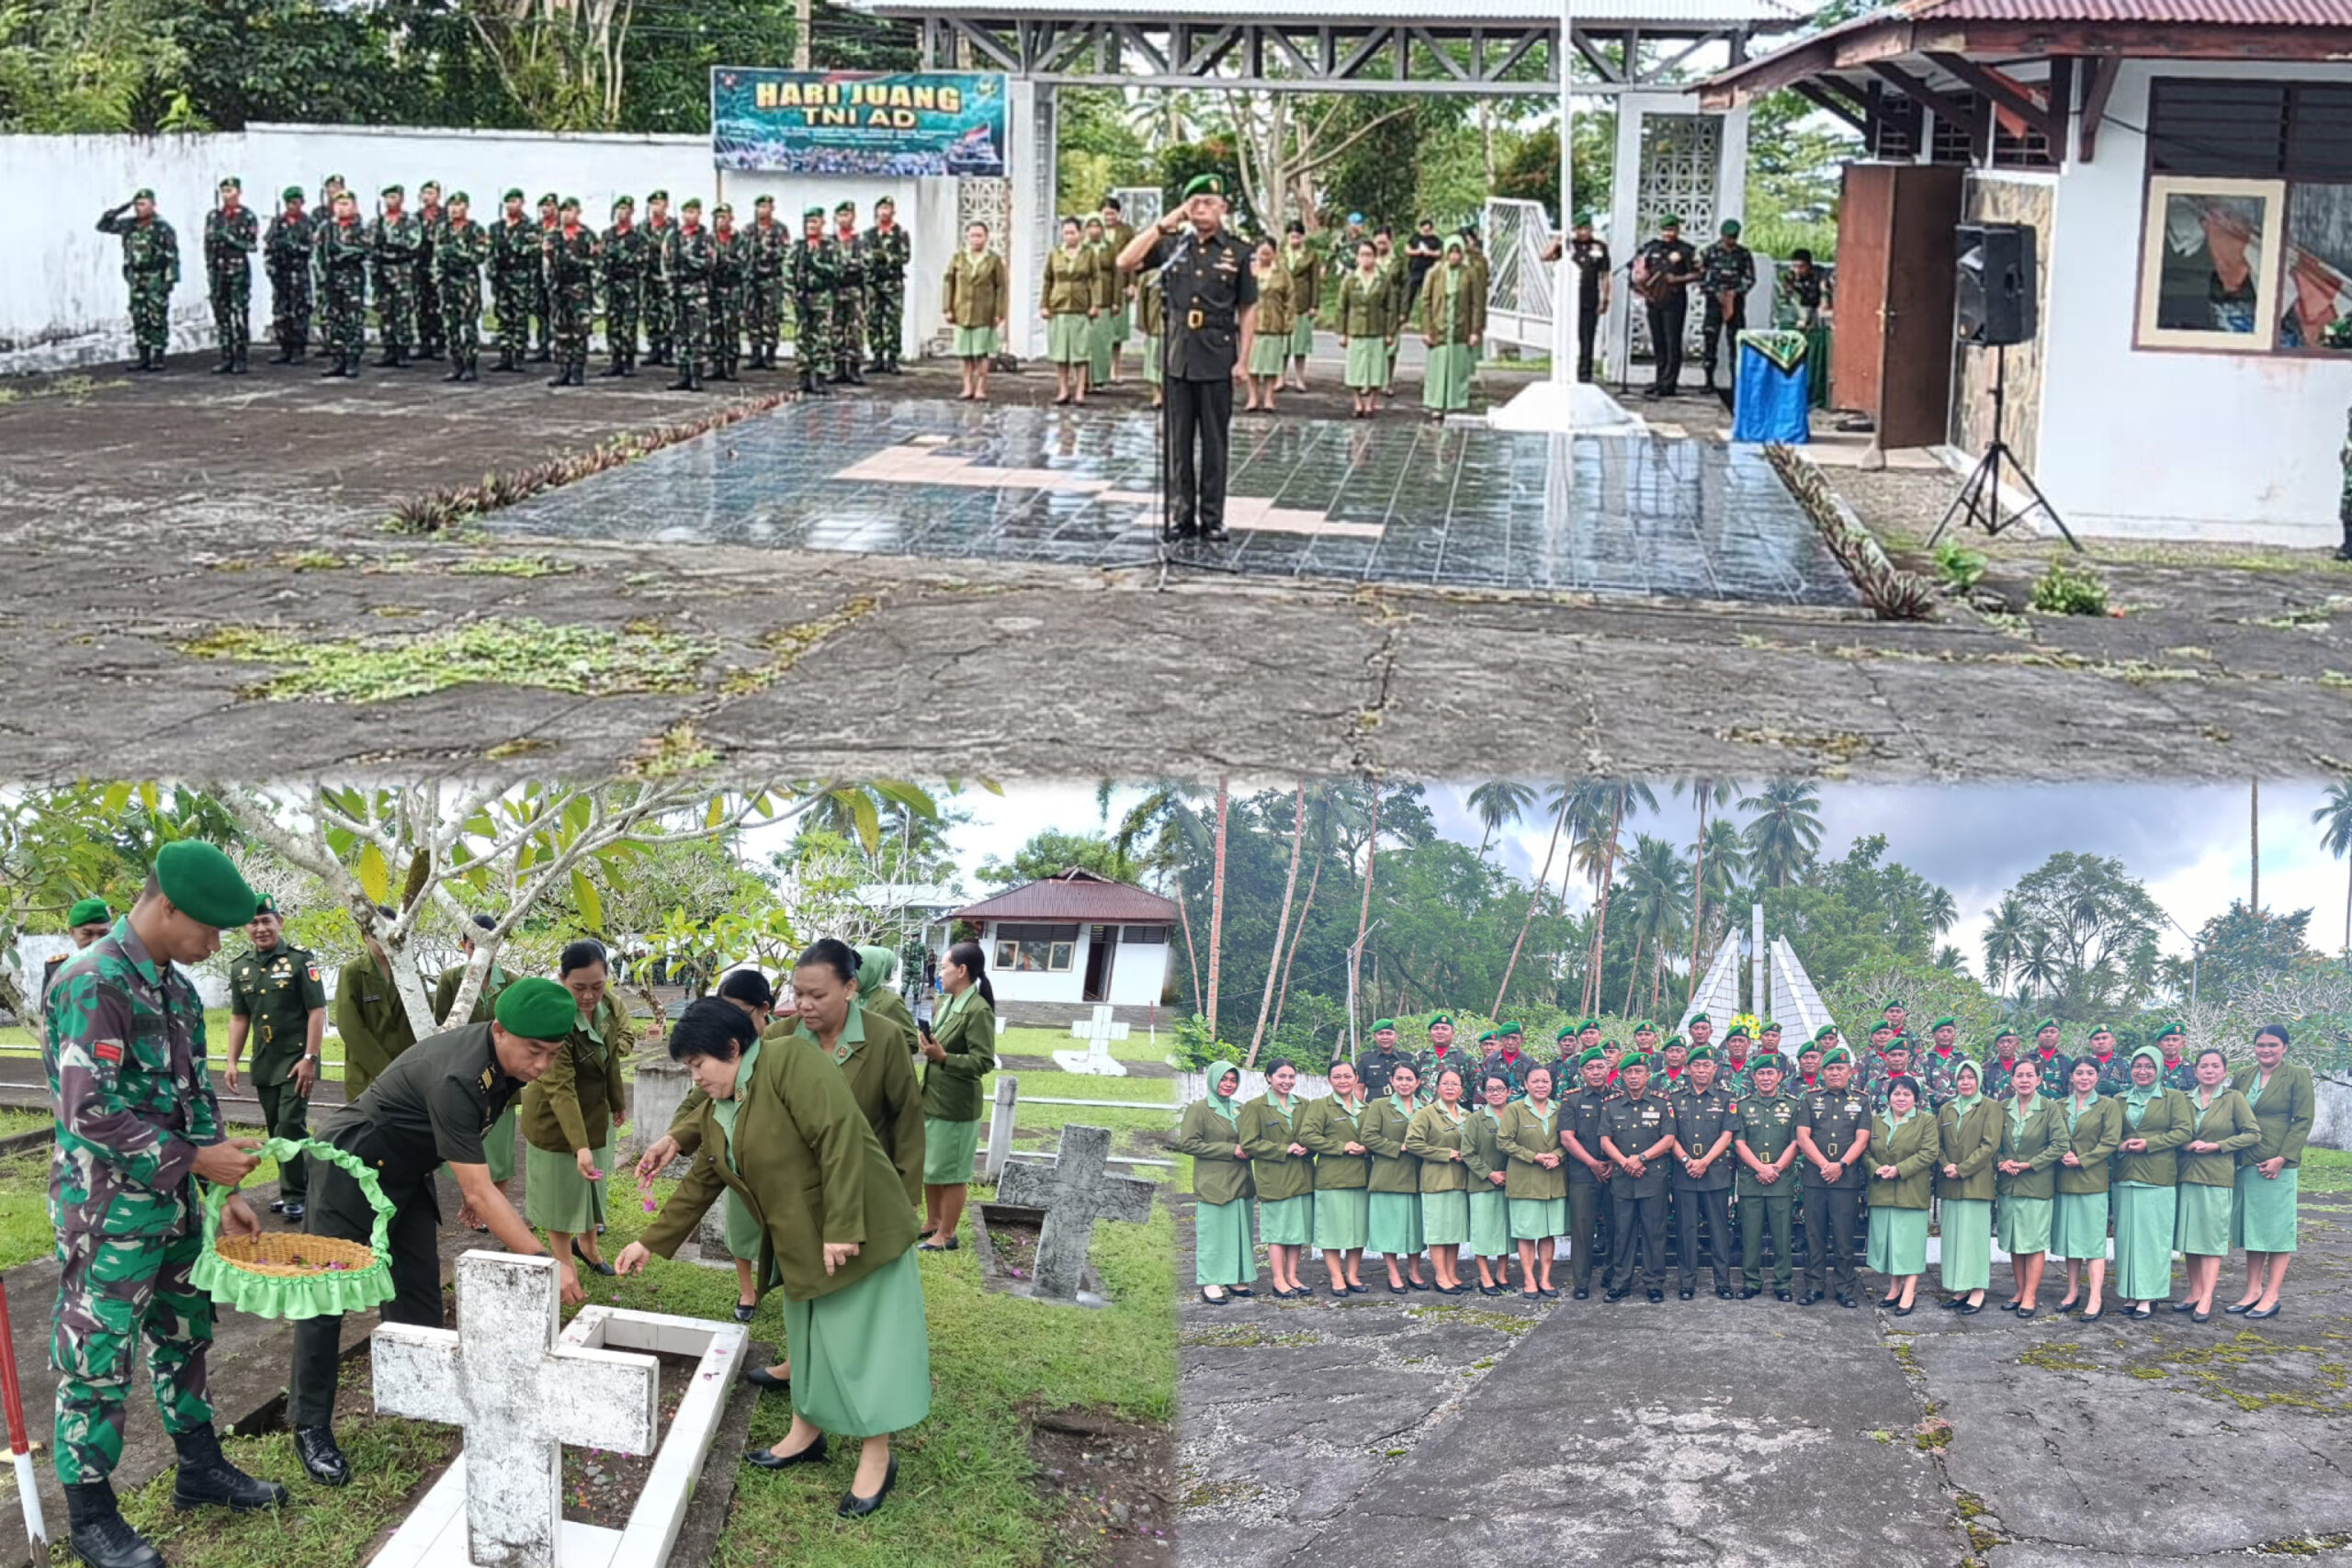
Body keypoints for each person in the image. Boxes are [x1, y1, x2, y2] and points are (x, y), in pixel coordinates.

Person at [46, 843, 285, 1568]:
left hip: (176, 1206)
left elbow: (196, 1094)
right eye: (207, 928)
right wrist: (197, 1161)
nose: (215, 944)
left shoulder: (174, 988)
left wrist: (223, 1188)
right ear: (166, 905)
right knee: (99, 1356)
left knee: (186, 1334)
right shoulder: (92, 981)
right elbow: (88, 1110)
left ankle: (200, 1467)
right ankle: (91, 1515)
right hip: (108, 1213)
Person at [620, 998, 927, 1518]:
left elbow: (840, 1135)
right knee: (808, 1340)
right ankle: (806, 1433)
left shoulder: (790, 1061)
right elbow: (702, 1181)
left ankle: (878, 1456)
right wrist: (648, 1242)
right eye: (689, 1068)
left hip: (856, 1231)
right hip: (802, 1242)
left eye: (698, 1065)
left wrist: (843, 1227)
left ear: (732, 1047)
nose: (696, 1078)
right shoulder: (719, 1108)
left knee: (862, 1347)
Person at [288, 976, 579, 1490]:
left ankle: (418, 1390)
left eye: (552, 1055)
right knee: (325, 1297)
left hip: (406, 1169)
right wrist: (544, 1260)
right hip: (351, 1167)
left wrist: (473, 1182)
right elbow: (481, 1192)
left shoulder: (502, 1062)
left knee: (418, 1283)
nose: (541, 1066)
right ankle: (310, 1426)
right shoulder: (458, 1075)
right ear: (500, 1030)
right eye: (534, 1051)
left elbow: (469, 1144)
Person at [1115, 174, 1258, 543]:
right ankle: (1181, 516)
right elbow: (1125, 261)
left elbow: (1247, 309)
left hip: (1217, 354)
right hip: (1178, 354)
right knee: (1178, 443)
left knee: (1214, 442)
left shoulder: (1240, 252)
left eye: (1209, 202)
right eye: (1194, 203)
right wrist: (1165, 223)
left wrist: (1243, 359)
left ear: (1223, 208)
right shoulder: (1172, 246)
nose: (1201, 209)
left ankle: (1212, 518)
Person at [522, 940, 632, 1301]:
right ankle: (564, 1268)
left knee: (591, 1189)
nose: (588, 996)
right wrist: (579, 1146)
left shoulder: (608, 1006)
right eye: (579, 987)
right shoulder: (554, 1019)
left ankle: (588, 1247)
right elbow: (561, 1088)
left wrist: (617, 1101)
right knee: (559, 1198)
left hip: (593, 1111)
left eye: (597, 986)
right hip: (555, 1120)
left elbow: (611, 1058)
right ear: (561, 979)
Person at [222, 896, 325, 1223]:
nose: (260, 928)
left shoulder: (300, 961)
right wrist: (231, 1061)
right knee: (275, 1127)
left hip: (297, 1059)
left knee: (289, 1124)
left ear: (279, 922)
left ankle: (298, 1194)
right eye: (253, 923)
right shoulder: (240, 967)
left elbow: (317, 1011)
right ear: (246, 928)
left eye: (266, 921)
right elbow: (239, 1017)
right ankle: (296, 1188)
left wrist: (310, 1058)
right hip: (265, 1061)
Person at [2228, 1023, 2313, 1319]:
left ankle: (2272, 1295)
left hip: (2276, 1165)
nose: (2266, 1050)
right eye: (2261, 1045)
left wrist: (2283, 1157)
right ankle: (2253, 1290)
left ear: (2285, 1047)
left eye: (2273, 1045)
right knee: (2254, 1229)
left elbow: (2303, 1120)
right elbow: (2229, 1111)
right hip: (2246, 1161)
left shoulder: (2297, 1075)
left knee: (2276, 1231)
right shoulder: (2243, 1075)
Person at [917, 940, 994, 1253]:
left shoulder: (977, 1010)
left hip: (956, 1105)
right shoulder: (949, 1002)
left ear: (961, 970)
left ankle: (947, 1235)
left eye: (944, 967)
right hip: (934, 1098)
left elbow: (983, 1061)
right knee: (932, 1166)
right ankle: (933, 1221)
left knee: (952, 1173)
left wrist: (944, 1057)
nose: (939, 973)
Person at [710, 970, 778, 1319]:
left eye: (738, 1012)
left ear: (763, 1008)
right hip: (738, 1153)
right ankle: (747, 1290)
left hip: (778, 1155)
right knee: (740, 1223)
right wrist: (675, 1136)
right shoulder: (726, 1045)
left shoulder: (784, 1045)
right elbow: (702, 1098)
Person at [2175, 1048, 2258, 1322]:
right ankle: (2194, 1292)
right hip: (2186, 1175)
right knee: (2190, 1238)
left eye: (2215, 1066)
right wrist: (2186, 1145)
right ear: (2195, 1071)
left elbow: (2252, 1134)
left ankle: (2207, 1296)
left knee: (2211, 1239)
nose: (2209, 1071)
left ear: (2224, 1071)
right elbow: (2174, 1133)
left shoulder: (2233, 1099)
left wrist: (2218, 1146)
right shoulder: (2184, 1099)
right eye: (2203, 1066)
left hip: (2216, 1176)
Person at [2109, 1044, 2191, 1319]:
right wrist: (2120, 1145)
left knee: (2153, 1239)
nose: (2142, 1071)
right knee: (2127, 1239)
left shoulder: (2173, 1098)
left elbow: (2183, 1132)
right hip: (2125, 1176)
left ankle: (2149, 1295)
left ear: (2159, 1069)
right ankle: (2131, 1292)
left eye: (2149, 1067)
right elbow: (2109, 1134)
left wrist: (2150, 1143)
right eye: (2137, 1066)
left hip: (2157, 1177)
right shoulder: (2119, 1100)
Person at [1795, 1045, 1871, 1308]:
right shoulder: (1809, 1099)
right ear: (1822, 1072)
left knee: (1843, 1237)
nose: (1835, 1073)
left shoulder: (1861, 1101)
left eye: (1840, 1068)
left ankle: (1844, 1288)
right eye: (1830, 1068)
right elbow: (1803, 1137)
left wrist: (1841, 1165)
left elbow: (1862, 1139)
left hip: (1845, 1180)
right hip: (1815, 1179)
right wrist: (1825, 1165)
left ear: (1850, 1072)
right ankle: (1814, 1286)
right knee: (1814, 1236)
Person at [1176, 1061, 1255, 1303]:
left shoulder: (1240, 1108)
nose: (1228, 1084)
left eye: (1233, 1080)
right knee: (1214, 1233)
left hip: (1241, 1179)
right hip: (1214, 1182)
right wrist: (1231, 1150)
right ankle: (1210, 1281)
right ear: (1212, 1080)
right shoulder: (1199, 1109)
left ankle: (1233, 1277)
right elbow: (1188, 1144)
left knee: (1238, 1232)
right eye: (1223, 1079)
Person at [2052, 1057, 2123, 1321]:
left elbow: (2110, 1141)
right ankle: (2072, 1292)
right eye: (2079, 1073)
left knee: (2093, 1242)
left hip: (2091, 1179)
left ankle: (2095, 1296)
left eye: (2090, 1073)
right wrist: (2062, 1153)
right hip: (2064, 1179)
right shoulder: (2059, 1105)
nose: (2084, 1077)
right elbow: (2052, 1136)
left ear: (2097, 1076)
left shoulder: (2107, 1105)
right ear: (2071, 1076)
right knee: (2071, 1240)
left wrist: (2082, 1159)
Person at [1239, 1059, 1316, 1298]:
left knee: (1297, 1230)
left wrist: (1308, 1148)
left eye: (1291, 1076)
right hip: (1275, 1178)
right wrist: (1284, 1149)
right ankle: (1278, 1279)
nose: (1287, 1081)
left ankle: (1292, 1276)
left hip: (1302, 1176)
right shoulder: (1255, 1107)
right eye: (1281, 1076)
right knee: (1277, 1231)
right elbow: (1249, 1143)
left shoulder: (1303, 1104)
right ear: (1268, 1077)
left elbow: (1312, 1135)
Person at [1599, 1054, 1671, 1302]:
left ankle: (1654, 1283)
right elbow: (1605, 1140)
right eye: (1628, 1072)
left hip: (1652, 1178)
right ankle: (1621, 1283)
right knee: (1623, 1233)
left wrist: (1641, 1158)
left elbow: (1668, 1139)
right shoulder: (1612, 1105)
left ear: (1647, 1076)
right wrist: (1625, 1162)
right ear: (1621, 1076)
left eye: (1638, 1072)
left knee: (1654, 1233)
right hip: (1623, 1179)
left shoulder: (1662, 1103)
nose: (1633, 1076)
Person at [1993, 1056, 2062, 1316]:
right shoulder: (2001, 1108)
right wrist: (2001, 1162)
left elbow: (2060, 1144)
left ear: (2039, 1080)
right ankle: (2020, 1291)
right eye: (2019, 1075)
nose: (2024, 1080)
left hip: (2035, 1185)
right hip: (2009, 1184)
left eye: (2029, 1075)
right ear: (2011, 1080)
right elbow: (1991, 1143)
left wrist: (2029, 1164)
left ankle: (2030, 1295)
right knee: (2015, 1241)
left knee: (2033, 1243)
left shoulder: (2049, 1108)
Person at [1865, 1076, 1938, 1314]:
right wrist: (1876, 1168)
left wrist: (1899, 1169)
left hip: (1910, 1191)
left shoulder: (1926, 1121)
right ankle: (1895, 1288)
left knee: (1910, 1244)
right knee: (1890, 1243)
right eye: (1896, 1093)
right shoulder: (1877, 1121)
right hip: (1882, 1191)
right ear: (1889, 1097)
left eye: (1907, 1094)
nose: (1901, 1098)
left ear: (1915, 1098)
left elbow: (1929, 1153)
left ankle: (1909, 1291)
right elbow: (1865, 1152)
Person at [1300, 1059, 1372, 1296]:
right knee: (1332, 1231)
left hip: (1361, 1177)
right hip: (1332, 1178)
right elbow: (1308, 1136)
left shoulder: (1366, 1109)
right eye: (1337, 1076)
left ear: (1356, 1079)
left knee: (1357, 1230)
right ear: (1329, 1080)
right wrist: (1341, 1146)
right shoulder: (1320, 1106)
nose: (1343, 1080)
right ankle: (1336, 1277)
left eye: (1347, 1076)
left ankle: (1352, 1275)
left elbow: (1375, 1138)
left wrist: (1366, 1148)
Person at [1934, 1060, 2000, 1313]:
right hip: (1950, 1182)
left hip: (1976, 1182)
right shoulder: (1947, 1109)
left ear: (1979, 1080)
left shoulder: (1990, 1107)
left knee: (1974, 1238)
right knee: (1954, 1239)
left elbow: (1989, 1145)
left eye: (1971, 1077)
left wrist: (1962, 1169)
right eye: (1961, 1077)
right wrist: (1946, 1165)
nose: (1966, 1082)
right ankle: (1961, 1287)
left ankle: (1978, 1289)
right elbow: (1937, 1143)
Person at [1734, 1053, 1800, 1301]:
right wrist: (1760, 1168)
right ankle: (1751, 1281)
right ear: (1753, 1077)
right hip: (1751, 1181)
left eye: (1770, 1073)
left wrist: (1776, 1169)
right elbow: (1739, 1143)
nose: (1765, 1078)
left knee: (1782, 1236)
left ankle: (1783, 1284)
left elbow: (1796, 1142)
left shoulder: (1793, 1105)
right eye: (1760, 1073)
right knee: (1750, 1236)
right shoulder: (1742, 1106)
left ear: (1780, 1076)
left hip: (1781, 1181)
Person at [334, 908, 416, 1105]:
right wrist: (387, 1071)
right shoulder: (352, 972)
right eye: (374, 933)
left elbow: (422, 1018)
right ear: (365, 936)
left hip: (407, 1074)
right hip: (366, 1074)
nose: (381, 938)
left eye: (386, 931)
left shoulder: (407, 969)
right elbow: (350, 1027)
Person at [1403, 1066, 1475, 1295]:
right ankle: (1441, 1276)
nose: (1450, 1087)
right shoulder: (1426, 1114)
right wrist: (1446, 1153)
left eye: (1455, 1084)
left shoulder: (1467, 1116)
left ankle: (1452, 1274)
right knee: (1438, 1232)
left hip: (1461, 1180)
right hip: (1436, 1180)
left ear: (1462, 1089)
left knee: (1454, 1231)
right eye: (1445, 1083)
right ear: (1437, 1088)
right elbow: (1413, 1143)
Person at [1498, 1064, 1566, 1299]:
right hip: (1524, 1180)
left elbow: (1569, 1140)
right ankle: (1529, 1279)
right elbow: (1504, 1142)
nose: (1540, 1085)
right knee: (1526, 1233)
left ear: (1551, 1084)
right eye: (1535, 1081)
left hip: (1552, 1180)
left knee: (1548, 1233)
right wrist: (1534, 1156)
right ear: (1526, 1084)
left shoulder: (1559, 1109)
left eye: (1545, 1081)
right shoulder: (1514, 1109)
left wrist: (1558, 1155)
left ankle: (1545, 1278)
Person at [97, 189, 180, 372]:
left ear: (152, 205)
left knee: (157, 316)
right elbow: (102, 227)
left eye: (143, 204)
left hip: (155, 276)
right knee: (138, 315)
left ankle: (158, 355)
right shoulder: (129, 225)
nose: (138, 208)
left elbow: (172, 255)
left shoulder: (162, 228)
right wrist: (114, 213)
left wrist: (169, 280)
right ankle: (143, 355)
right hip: (136, 277)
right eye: (136, 205)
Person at [1364, 1061, 1429, 1292]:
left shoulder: (1425, 1109)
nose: (1404, 1083)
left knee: (1416, 1229)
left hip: (1417, 1175)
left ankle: (1414, 1272)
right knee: (1389, 1229)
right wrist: (1397, 1147)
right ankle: (1393, 1273)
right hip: (1389, 1175)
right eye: (1399, 1079)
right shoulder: (1379, 1106)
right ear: (1391, 1081)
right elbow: (1368, 1137)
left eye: (1409, 1079)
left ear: (1418, 1082)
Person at [1632, 215, 1699, 400]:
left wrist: (1678, 279)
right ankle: (1659, 380)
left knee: (1672, 342)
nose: (1668, 233)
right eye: (1665, 230)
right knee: (1658, 342)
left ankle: (1669, 384)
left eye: (1672, 230)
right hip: (1654, 299)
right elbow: (1642, 268)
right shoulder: (1652, 248)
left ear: (1678, 230)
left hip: (1674, 300)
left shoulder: (1685, 250)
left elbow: (1698, 273)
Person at [1419, 236, 1483, 424]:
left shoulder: (1469, 274)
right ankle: (1436, 404)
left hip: (1460, 328)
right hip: (1439, 327)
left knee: (1458, 368)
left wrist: (1474, 331)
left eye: (1458, 252)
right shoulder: (1435, 273)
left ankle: (1456, 403)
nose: (1454, 256)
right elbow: (1425, 302)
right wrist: (1426, 329)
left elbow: (1476, 304)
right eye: (1451, 252)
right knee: (1438, 368)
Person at [943, 221, 1008, 401]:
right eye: (973, 235)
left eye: (979, 235)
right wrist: (947, 308)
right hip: (962, 311)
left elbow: (1001, 287)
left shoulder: (993, 260)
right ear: (967, 237)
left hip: (984, 312)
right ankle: (967, 387)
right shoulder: (958, 258)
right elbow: (949, 283)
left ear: (986, 238)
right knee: (965, 354)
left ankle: (980, 388)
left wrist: (999, 312)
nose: (976, 239)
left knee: (981, 353)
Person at [1464, 1071, 1515, 1295]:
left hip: (1512, 1184)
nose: (1495, 1093)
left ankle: (1501, 1275)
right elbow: (1467, 1152)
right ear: (1483, 1094)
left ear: (1509, 1092)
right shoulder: (1475, 1119)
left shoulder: (1515, 1116)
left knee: (1506, 1232)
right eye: (1490, 1089)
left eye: (1500, 1089)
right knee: (1483, 1231)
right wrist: (1489, 1173)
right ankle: (1485, 1277)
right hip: (1483, 1184)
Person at [429, 190, 488, 384]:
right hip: (447, 282)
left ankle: (470, 366)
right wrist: (437, 278)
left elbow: (479, 255)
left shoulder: (475, 229)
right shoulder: (442, 229)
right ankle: (456, 365)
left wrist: (457, 253)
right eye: (452, 206)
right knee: (450, 326)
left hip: (467, 283)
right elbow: (437, 255)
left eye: (459, 205)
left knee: (468, 325)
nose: (454, 209)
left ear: (466, 207)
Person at [201, 176, 257, 376]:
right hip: (218, 270)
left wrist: (230, 238)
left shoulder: (247, 216)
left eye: (230, 191)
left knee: (239, 313)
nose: (227, 195)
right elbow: (207, 244)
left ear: (239, 192)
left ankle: (241, 357)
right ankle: (226, 356)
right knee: (222, 314)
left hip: (238, 271)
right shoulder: (214, 216)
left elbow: (251, 245)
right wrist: (210, 268)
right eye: (224, 191)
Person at [542, 197, 597, 389]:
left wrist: (575, 262)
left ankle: (577, 371)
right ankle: (563, 370)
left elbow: (596, 262)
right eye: (564, 211)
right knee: (561, 332)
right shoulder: (553, 236)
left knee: (579, 332)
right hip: (559, 289)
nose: (566, 214)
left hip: (579, 289)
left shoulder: (587, 236)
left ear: (578, 213)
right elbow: (546, 263)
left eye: (570, 210)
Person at [1042, 218, 1096, 406]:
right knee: (1060, 353)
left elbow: (1096, 279)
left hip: (1080, 307)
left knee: (1080, 353)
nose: (1069, 236)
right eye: (1066, 233)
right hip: (1059, 307)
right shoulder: (1055, 254)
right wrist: (1044, 305)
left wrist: (1095, 304)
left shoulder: (1088, 254)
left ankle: (1080, 390)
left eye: (1073, 232)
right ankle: (1063, 390)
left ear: (1080, 233)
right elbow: (1048, 280)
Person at [665, 197, 718, 393]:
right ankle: (683, 374)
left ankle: (697, 375)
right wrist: (670, 284)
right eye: (686, 212)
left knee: (697, 334)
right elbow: (665, 261)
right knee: (680, 334)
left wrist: (689, 259)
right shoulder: (673, 236)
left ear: (699, 214)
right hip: (678, 290)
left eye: (693, 212)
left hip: (697, 290)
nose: (689, 216)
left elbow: (710, 264)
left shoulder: (706, 238)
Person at [1697, 219, 1755, 392]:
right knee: (1710, 340)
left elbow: (1750, 278)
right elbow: (1700, 276)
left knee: (1735, 342)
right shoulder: (1709, 252)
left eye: (1734, 237)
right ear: (1722, 236)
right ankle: (1708, 381)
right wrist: (1714, 291)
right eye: (1728, 237)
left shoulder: (1743, 254)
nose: (1731, 241)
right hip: (1714, 302)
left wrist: (1736, 292)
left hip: (1735, 302)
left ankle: (1736, 382)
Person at [367, 185, 422, 368]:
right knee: (385, 312)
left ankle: (403, 350)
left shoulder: (410, 221)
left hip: (402, 271)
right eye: (387, 198)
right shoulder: (377, 223)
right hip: (382, 271)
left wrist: (391, 243)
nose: (390, 201)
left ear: (401, 199)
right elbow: (368, 245)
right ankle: (388, 349)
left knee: (403, 312)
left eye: (394, 197)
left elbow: (413, 243)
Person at [1337, 240, 1390, 421]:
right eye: (1362, 255)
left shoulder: (1383, 280)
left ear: (1375, 257)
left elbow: (1390, 307)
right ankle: (1358, 403)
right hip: (1356, 329)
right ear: (1357, 258)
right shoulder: (1350, 280)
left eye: (1369, 255)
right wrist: (1342, 332)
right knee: (1355, 369)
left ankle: (1371, 404)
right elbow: (1342, 307)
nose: (1366, 258)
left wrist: (1390, 333)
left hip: (1377, 329)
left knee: (1375, 369)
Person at [792, 205, 841, 396]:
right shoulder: (799, 245)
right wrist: (793, 290)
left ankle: (820, 378)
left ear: (822, 223)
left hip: (822, 296)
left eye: (814, 221)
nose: (811, 225)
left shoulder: (830, 245)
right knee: (802, 337)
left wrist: (816, 265)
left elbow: (837, 270)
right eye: (808, 222)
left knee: (822, 337)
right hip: (802, 296)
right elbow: (788, 268)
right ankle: (803, 378)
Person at [263, 186, 315, 366]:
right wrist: (271, 266)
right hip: (281, 273)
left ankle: (298, 349)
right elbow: (269, 245)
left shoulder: (308, 222)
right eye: (290, 203)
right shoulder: (278, 222)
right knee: (281, 311)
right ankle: (284, 347)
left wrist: (293, 246)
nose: (293, 206)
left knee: (299, 311)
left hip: (299, 273)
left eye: (296, 202)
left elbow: (311, 248)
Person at [599, 195, 649, 378]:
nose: (622, 213)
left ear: (632, 212)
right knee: (613, 323)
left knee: (629, 323)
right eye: (619, 209)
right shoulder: (607, 235)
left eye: (626, 209)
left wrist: (620, 255)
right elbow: (600, 257)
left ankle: (628, 361)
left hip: (629, 283)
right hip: (612, 283)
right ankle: (615, 359)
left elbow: (641, 260)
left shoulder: (638, 236)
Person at [488, 189, 537, 373]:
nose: (511, 205)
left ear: (522, 203)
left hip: (520, 277)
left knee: (520, 317)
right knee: (503, 317)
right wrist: (492, 270)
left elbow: (534, 250)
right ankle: (504, 355)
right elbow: (490, 251)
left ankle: (518, 355)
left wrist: (514, 247)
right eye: (508, 202)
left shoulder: (529, 227)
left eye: (514, 201)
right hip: (501, 277)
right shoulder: (496, 227)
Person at [864, 195, 911, 374]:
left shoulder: (901, 233)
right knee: (873, 319)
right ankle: (877, 357)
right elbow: (864, 255)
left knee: (893, 321)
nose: (884, 212)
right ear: (876, 211)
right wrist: (873, 259)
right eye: (881, 208)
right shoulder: (869, 234)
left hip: (893, 283)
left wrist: (886, 257)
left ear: (893, 211)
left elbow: (905, 257)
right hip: (873, 283)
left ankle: (892, 358)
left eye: (887, 208)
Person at [1243, 239, 1292, 413]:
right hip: (1252, 323)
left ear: (1275, 254)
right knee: (1252, 363)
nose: (1264, 257)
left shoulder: (1282, 274)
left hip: (1274, 323)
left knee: (1271, 363)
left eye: (1268, 254)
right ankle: (1252, 397)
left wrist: (1288, 322)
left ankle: (1269, 398)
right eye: (1261, 253)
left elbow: (1290, 299)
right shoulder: (1249, 271)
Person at [1563, 214, 1611, 383]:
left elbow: (1605, 274)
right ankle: (1567, 369)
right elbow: (1545, 256)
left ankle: (1585, 373)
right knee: (1569, 336)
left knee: (1587, 337)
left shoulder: (1599, 247)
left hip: (1590, 297)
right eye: (1579, 229)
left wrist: (1605, 297)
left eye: (1586, 228)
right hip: (1569, 299)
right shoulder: (1568, 246)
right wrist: (1558, 241)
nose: (1583, 232)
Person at [746, 194, 789, 370]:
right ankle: (755, 352)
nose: (762, 210)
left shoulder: (779, 229)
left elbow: (785, 252)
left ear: (772, 209)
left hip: (771, 279)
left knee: (771, 316)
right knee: (752, 316)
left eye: (766, 207)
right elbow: (742, 252)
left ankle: (770, 354)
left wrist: (766, 251)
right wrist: (751, 252)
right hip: (753, 279)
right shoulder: (749, 229)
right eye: (760, 207)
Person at [829, 199, 869, 386]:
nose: (844, 219)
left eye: (847, 215)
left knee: (855, 329)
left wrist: (846, 266)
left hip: (854, 290)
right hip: (835, 290)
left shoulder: (860, 241)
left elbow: (865, 263)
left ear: (853, 217)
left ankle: (854, 368)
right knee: (835, 328)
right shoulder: (830, 241)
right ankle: (837, 366)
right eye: (841, 215)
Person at [1279, 221, 1320, 391]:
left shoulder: (1311, 255)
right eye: (1292, 236)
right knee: (1282, 345)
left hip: (1302, 303)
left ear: (1303, 237)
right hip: (1282, 303)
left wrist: (1314, 305)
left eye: (1297, 237)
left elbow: (1315, 281)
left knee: (1300, 345)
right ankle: (1280, 378)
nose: (1294, 240)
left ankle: (1299, 378)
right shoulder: (1280, 253)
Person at [1083, 215, 1118, 392]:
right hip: (1085, 298)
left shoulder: (1110, 248)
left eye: (1097, 226)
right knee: (1085, 341)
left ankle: (1100, 378)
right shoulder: (1082, 248)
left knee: (1102, 340)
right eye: (1090, 226)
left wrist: (1116, 300)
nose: (1094, 230)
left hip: (1105, 298)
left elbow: (1117, 274)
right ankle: (1084, 379)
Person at [641, 190, 676, 366]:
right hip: (649, 278)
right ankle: (654, 349)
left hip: (666, 278)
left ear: (666, 205)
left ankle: (668, 350)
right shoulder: (643, 227)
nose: (656, 207)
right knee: (650, 313)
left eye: (659, 203)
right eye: (653, 204)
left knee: (668, 314)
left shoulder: (673, 227)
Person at [413, 181, 446, 360]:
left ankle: (440, 343)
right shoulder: (415, 218)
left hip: (438, 267)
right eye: (424, 193)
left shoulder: (444, 216)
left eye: (431, 193)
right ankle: (424, 342)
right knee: (421, 305)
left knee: (438, 305)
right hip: (420, 266)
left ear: (438, 195)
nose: (427, 197)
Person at [1355, 1020, 1414, 1100]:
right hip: (1374, 1105)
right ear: (1374, 1037)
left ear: (1396, 1036)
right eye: (1381, 1034)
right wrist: (1359, 1107)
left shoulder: (1407, 1058)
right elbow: (1359, 1089)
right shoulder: (1366, 1059)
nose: (1385, 1037)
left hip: (1401, 1104)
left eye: (1389, 1033)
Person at [1405, 218, 1444, 314]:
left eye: (1428, 230)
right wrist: (1417, 252)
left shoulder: (1435, 240)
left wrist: (1429, 253)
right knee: (1409, 293)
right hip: (1415, 270)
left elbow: (1440, 253)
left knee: (1427, 294)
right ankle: (1405, 313)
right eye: (1424, 230)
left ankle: (1425, 314)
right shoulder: (1415, 237)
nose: (1426, 232)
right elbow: (1407, 250)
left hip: (1429, 271)